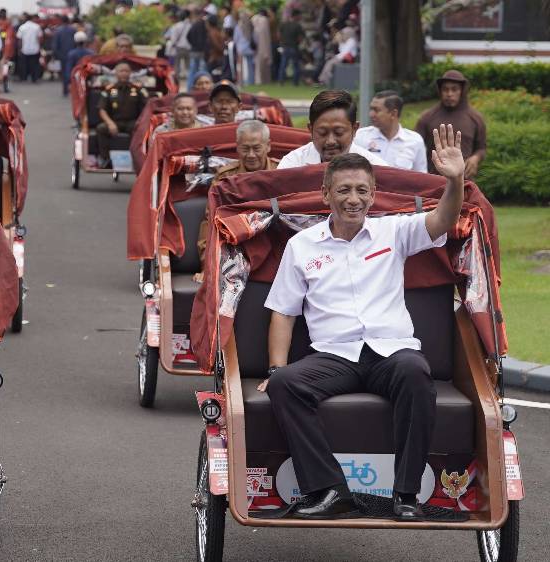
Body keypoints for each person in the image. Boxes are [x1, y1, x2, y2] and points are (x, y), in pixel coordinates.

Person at [264, 125, 467, 520]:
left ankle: (406, 494)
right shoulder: (301, 246)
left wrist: (455, 180)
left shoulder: (394, 231)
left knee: (415, 372)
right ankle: (330, 490)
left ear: (373, 195)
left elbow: (443, 220)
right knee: (284, 384)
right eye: (343, 190)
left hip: (391, 351)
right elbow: (284, 312)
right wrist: (275, 368)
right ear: (326, 194)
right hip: (334, 356)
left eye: (361, 190)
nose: (353, 199)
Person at [195, 119, 279, 281]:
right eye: (245, 149)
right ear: (237, 147)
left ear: (268, 146)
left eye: (256, 148)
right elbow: (211, 222)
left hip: (273, 251)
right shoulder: (226, 177)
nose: (251, 155)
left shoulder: (281, 172)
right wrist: (207, 267)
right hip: (235, 251)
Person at [278, 90, 387, 168]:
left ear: (354, 129)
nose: (330, 141)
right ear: (310, 129)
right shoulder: (292, 165)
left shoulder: (376, 168)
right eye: (322, 133)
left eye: (339, 132)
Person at [415, 70, 487, 179]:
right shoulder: (427, 117)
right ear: (440, 91)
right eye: (445, 89)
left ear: (462, 91)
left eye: (454, 89)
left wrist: (475, 158)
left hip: (463, 181)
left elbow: (481, 148)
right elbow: (414, 144)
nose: (449, 94)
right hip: (433, 180)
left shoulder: (476, 118)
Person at [354, 91, 427, 172]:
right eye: (371, 109)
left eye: (376, 110)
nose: (371, 114)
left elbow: (421, 175)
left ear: (393, 114)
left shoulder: (415, 141)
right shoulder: (360, 136)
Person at [95, 61, 148, 168]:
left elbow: (147, 108)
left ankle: (137, 159)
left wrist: (141, 123)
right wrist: (110, 123)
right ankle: (105, 159)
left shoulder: (138, 90)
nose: (124, 73)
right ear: (116, 73)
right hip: (114, 122)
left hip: (132, 122)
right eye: (121, 71)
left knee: (142, 130)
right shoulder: (109, 90)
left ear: (130, 73)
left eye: (126, 71)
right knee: (101, 129)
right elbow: (102, 109)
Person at [63, 31, 94, 96]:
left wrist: (69, 82)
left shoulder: (71, 54)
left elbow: (69, 69)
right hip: (88, 77)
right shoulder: (91, 53)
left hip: (76, 78)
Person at [278, 10, 303, 85]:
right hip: (294, 47)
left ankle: (281, 81)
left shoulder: (284, 24)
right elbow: (300, 38)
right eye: (299, 16)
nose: (300, 17)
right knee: (295, 66)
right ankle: (295, 82)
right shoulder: (297, 25)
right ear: (296, 16)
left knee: (283, 65)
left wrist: (282, 42)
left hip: (285, 47)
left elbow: (278, 35)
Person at [165, 10, 192, 79]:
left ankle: (176, 79)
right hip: (188, 48)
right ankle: (189, 78)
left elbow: (173, 39)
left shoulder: (176, 26)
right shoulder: (189, 25)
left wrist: (172, 46)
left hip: (178, 48)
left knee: (176, 65)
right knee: (188, 65)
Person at [16, 14, 43, 83]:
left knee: (24, 64)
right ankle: (34, 78)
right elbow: (40, 38)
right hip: (35, 49)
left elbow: (20, 39)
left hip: (24, 48)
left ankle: (23, 77)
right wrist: (39, 47)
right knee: (34, 64)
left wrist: (19, 49)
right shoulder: (37, 27)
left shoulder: (22, 27)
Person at [233, 10, 255, 85]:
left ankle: (241, 81)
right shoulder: (250, 25)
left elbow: (235, 39)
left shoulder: (238, 26)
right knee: (250, 67)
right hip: (250, 49)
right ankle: (251, 81)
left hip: (241, 49)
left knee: (241, 67)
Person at [186, 9, 209, 81]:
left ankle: (190, 86)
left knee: (192, 71)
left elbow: (188, 36)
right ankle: (203, 86)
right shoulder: (205, 25)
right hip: (202, 51)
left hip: (194, 51)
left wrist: (193, 44)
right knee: (202, 71)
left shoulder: (194, 24)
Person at [251, 9, 272, 84]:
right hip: (263, 44)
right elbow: (266, 36)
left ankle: (258, 80)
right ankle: (264, 80)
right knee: (264, 64)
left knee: (257, 64)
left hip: (255, 43)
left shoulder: (253, 19)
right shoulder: (264, 20)